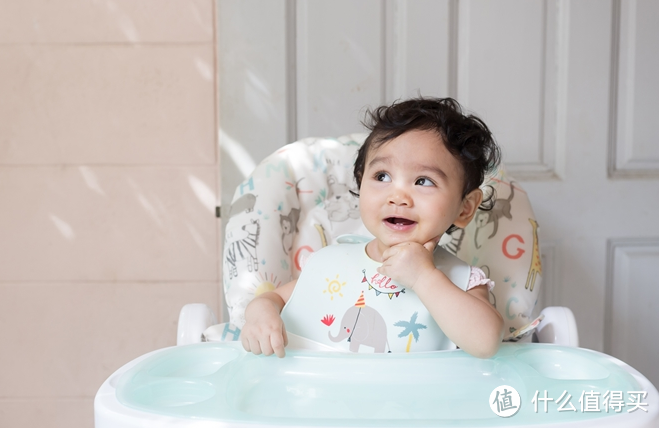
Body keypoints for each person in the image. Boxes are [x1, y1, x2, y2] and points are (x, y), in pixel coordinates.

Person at [241, 97, 504, 358]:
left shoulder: (461, 281)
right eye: (382, 176)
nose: (398, 196)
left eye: (423, 181)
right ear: (360, 182)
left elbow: (487, 343)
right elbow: (271, 300)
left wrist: (423, 277)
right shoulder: (331, 263)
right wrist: (261, 314)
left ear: (465, 208)